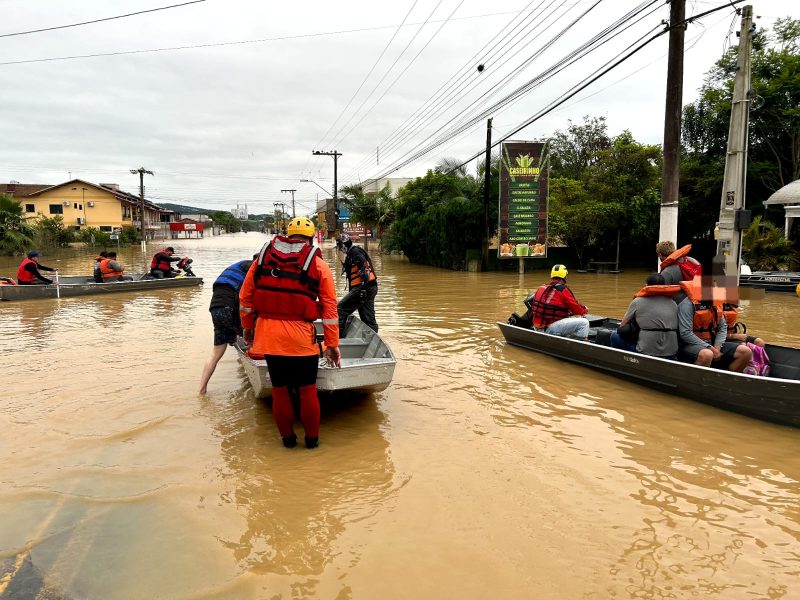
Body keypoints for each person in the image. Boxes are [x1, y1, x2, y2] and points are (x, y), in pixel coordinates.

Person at [239, 217, 341, 449]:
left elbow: (245, 299)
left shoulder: (262, 260)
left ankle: (287, 442)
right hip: (300, 340)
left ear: (287, 235)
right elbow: (330, 309)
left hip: (269, 337)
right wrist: (332, 344)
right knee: (307, 390)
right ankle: (312, 443)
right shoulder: (318, 265)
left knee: (280, 391)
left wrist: (247, 327)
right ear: (312, 237)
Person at [199, 258, 254, 394]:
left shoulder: (237, 268)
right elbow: (244, 302)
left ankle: (202, 390)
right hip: (230, 308)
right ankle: (254, 370)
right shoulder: (251, 269)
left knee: (216, 354)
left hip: (215, 308)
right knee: (252, 336)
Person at [677, 277, 752, 371]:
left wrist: (717, 346)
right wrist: (710, 348)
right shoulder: (687, 305)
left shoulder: (716, 303)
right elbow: (685, 333)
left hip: (713, 343)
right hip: (690, 345)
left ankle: (728, 380)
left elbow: (722, 327)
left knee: (746, 352)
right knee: (707, 354)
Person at [610, 273, 680, 358]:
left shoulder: (638, 301)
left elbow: (622, 326)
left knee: (614, 335)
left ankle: (620, 360)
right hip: (671, 351)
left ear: (646, 286)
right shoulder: (673, 303)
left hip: (646, 351)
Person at [528, 264, 589, 339]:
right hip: (549, 329)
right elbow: (577, 309)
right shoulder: (563, 290)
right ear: (564, 276)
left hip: (537, 327)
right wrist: (584, 310)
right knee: (584, 323)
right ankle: (581, 344)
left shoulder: (542, 288)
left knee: (569, 318)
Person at [336, 233, 379, 334]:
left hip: (363, 288)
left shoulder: (356, 253)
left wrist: (363, 290)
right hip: (371, 288)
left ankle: (338, 339)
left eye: (340, 247)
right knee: (368, 318)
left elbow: (365, 270)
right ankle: (371, 337)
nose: (340, 250)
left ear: (344, 245)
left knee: (340, 309)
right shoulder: (353, 253)